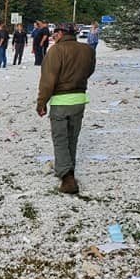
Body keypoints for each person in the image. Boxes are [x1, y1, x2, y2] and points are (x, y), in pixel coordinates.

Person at [36, 22, 96, 195]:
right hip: (79, 99)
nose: (54, 35)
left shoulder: (56, 51)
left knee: (60, 140)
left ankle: (67, 177)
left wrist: (41, 103)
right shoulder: (87, 50)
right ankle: (70, 169)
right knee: (72, 138)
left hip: (61, 101)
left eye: (55, 33)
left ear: (61, 33)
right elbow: (89, 71)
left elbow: (48, 81)